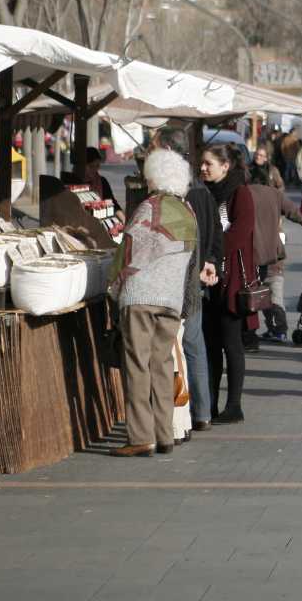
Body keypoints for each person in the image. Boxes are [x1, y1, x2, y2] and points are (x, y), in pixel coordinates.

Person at [108, 148, 200, 457]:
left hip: (141, 297)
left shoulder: (150, 208)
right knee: (163, 365)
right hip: (170, 301)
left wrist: (115, 285)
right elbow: (190, 263)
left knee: (137, 366)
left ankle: (140, 437)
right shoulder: (188, 212)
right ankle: (165, 435)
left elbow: (130, 253)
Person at [150, 128, 217, 431]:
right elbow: (215, 232)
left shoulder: (176, 193)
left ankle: (182, 415)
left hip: (177, 282)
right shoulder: (201, 190)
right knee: (193, 347)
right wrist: (210, 261)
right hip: (193, 277)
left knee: (178, 349)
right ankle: (200, 412)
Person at [199, 144, 256, 425]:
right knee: (209, 344)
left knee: (231, 344)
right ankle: (208, 404)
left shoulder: (240, 193)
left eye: (209, 163)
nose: (203, 168)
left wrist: (212, 255)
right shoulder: (202, 193)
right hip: (206, 280)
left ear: (225, 166)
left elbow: (240, 233)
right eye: (202, 163)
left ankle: (234, 405)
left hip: (230, 280)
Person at [247, 168, 302, 342]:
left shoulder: (244, 193)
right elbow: (295, 213)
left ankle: (251, 332)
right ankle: (279, 330)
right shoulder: (275, 195)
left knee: (252, 291)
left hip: (251, 253)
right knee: (274, 291)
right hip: (273, 253)